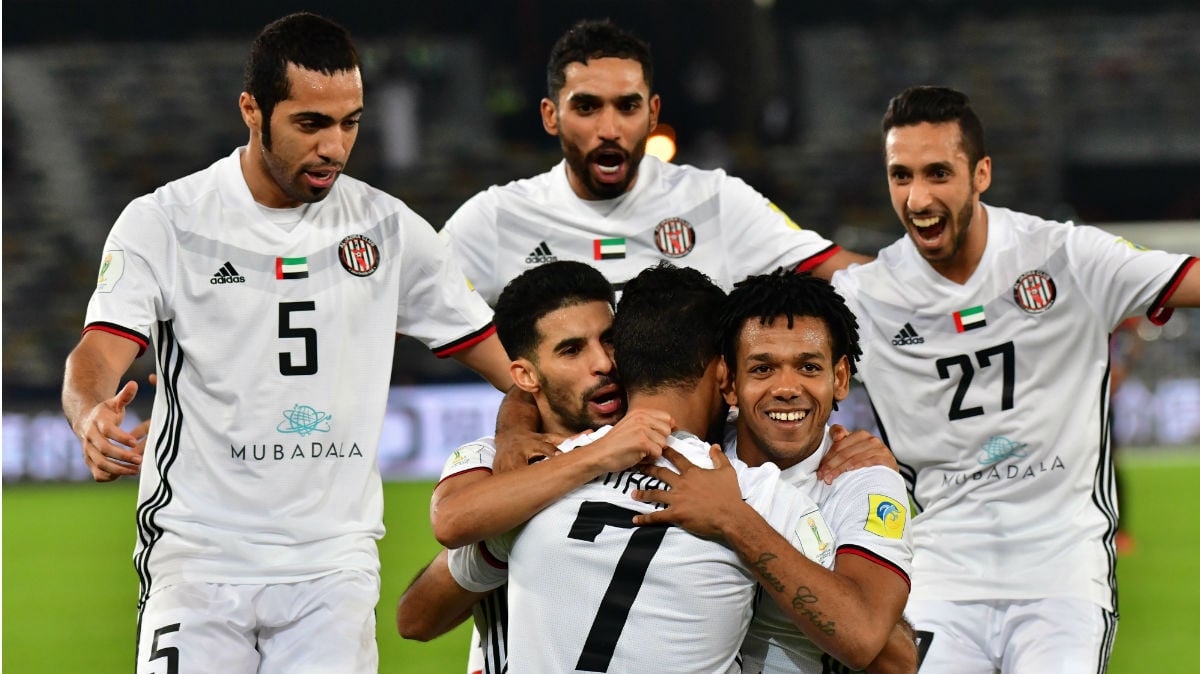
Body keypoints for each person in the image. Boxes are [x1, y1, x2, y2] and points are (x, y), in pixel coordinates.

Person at [59, 13, 512, 674]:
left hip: (332, 566)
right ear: (252, 110)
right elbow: (98, 354)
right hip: (199, 554)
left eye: (349, 122)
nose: (334, 146)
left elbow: (500, 356)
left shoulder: (388, 231)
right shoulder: (167, 222)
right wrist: (88, 413)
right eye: (311, 124)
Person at [829, 85, 1200, 673]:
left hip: (1062, 577)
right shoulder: (865, 298)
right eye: (901, 176)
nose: (917, 198)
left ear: (981, 174)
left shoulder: (1066, 258)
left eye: (937, 173)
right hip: (939, 581)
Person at [398, 262, 896, 673]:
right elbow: (422, 604)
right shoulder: (517, 471)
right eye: (572, 350)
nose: (600, 362)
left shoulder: (532, 487)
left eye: (609, 342)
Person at [440, 17, 870, 308]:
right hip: (568, 445)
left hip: (695, 443)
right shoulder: (498, 218)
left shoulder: (715, 202)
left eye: (627, 107)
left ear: (653, 113)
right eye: (587, 107)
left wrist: (934, 284)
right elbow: (397, 308)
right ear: (551, 116)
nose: (610, 129)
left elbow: (842, 272)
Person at [633, 270, 917, 673]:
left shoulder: (864, 481)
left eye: (808, 367)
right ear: (729, 384)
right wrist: (518, 428)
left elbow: (880, 652)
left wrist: (733, 519)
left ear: (839, 378)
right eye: (763, 369)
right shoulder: (700, 444)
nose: (787, 387)